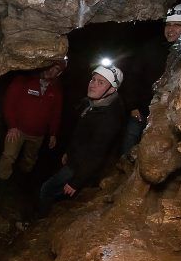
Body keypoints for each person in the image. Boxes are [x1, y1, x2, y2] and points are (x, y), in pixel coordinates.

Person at [38, 61, 125, 217]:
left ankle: (41, 220)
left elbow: (97, 154)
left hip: (80, 166)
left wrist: (76, 182)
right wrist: (68, 152)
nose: (93, 85)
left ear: (112, 89)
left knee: (47, 189)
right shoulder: (94, 103)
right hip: (76, 158)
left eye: (101, 82)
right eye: (93, 80)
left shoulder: (109, 119)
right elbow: (81, 134)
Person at [120, 2, 181, 156]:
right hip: (141, 111)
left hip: (166, 115)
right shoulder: (151, 48)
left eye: (177, 25)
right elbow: (133, 76)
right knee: (129, 145)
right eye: (168, 24)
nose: (170, 29)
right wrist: (133, 106)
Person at [0, 59, 65, 181]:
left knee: (30, 158)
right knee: (8, 156)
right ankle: (2, 180)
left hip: (38, 134)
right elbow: (9, 103)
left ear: (59, 74)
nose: (50, 70)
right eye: (49, 66)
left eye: (56, 69)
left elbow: (56, 114)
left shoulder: (56, 92)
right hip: (18, 129)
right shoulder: (23, 81)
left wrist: (53, 134)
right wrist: (12, 126)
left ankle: (23, 178)